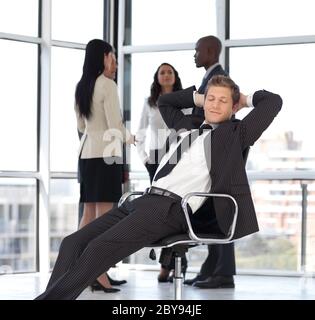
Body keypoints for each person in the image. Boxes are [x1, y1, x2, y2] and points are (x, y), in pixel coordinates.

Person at [35, 75, 282, 300]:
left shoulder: (234, 134)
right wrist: (197, 96)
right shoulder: (188, 128)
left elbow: (273, 102)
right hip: (143, 200)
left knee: (99, 248)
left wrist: (245, 99)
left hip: (171, 209)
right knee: (72, 243)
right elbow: (165, 101)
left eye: (223, 101)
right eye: (211, 98)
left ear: (233, 106)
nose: (215, 105)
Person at [74, 39, 135, 293]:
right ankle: (99, 273)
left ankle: (80, 269)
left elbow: (80, 126)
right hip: (106, 154)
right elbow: (114, 125)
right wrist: (132, 138)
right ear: (103, 57)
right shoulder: (107, 85)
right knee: (105, 219)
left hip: (87, 154)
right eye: (112, 56)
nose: (116, 62)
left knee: (88, 216)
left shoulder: (82, 86)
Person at [184, 35, 236, 289]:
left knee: (222, 212)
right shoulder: (210, 79)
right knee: (213, 211)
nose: (194, 55)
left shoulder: (220, 80)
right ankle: (212, 269)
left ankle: (224, 273)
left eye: (197, 50)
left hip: (215, 153)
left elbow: (219, 117)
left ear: (211, 51)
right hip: (208, 151)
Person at [136, 63, 187, 282]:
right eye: (162, 72)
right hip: (156, 160)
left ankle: (176, 264)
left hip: (179, 158)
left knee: (178, 210)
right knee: (160, 213)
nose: (166, 75)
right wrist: (145, 158)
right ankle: (166, 264)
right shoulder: (150, 103)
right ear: (157, 78)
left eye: (170, 72)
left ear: (175, 77)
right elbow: (140, 132)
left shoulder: (184, 100)